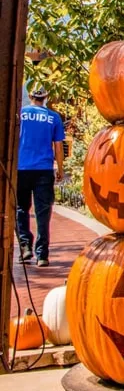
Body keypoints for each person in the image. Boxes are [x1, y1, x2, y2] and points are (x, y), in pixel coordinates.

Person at [16, 86, 65, 267]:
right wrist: (60, 168)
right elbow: (58, 146)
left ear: (30, 96)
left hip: (21, 168)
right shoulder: (54, 117)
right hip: (44, 169)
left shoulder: (20, 114)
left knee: (21, 208)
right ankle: (42, 254)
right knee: (43, 212)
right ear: (46, 97)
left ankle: (25, 246)